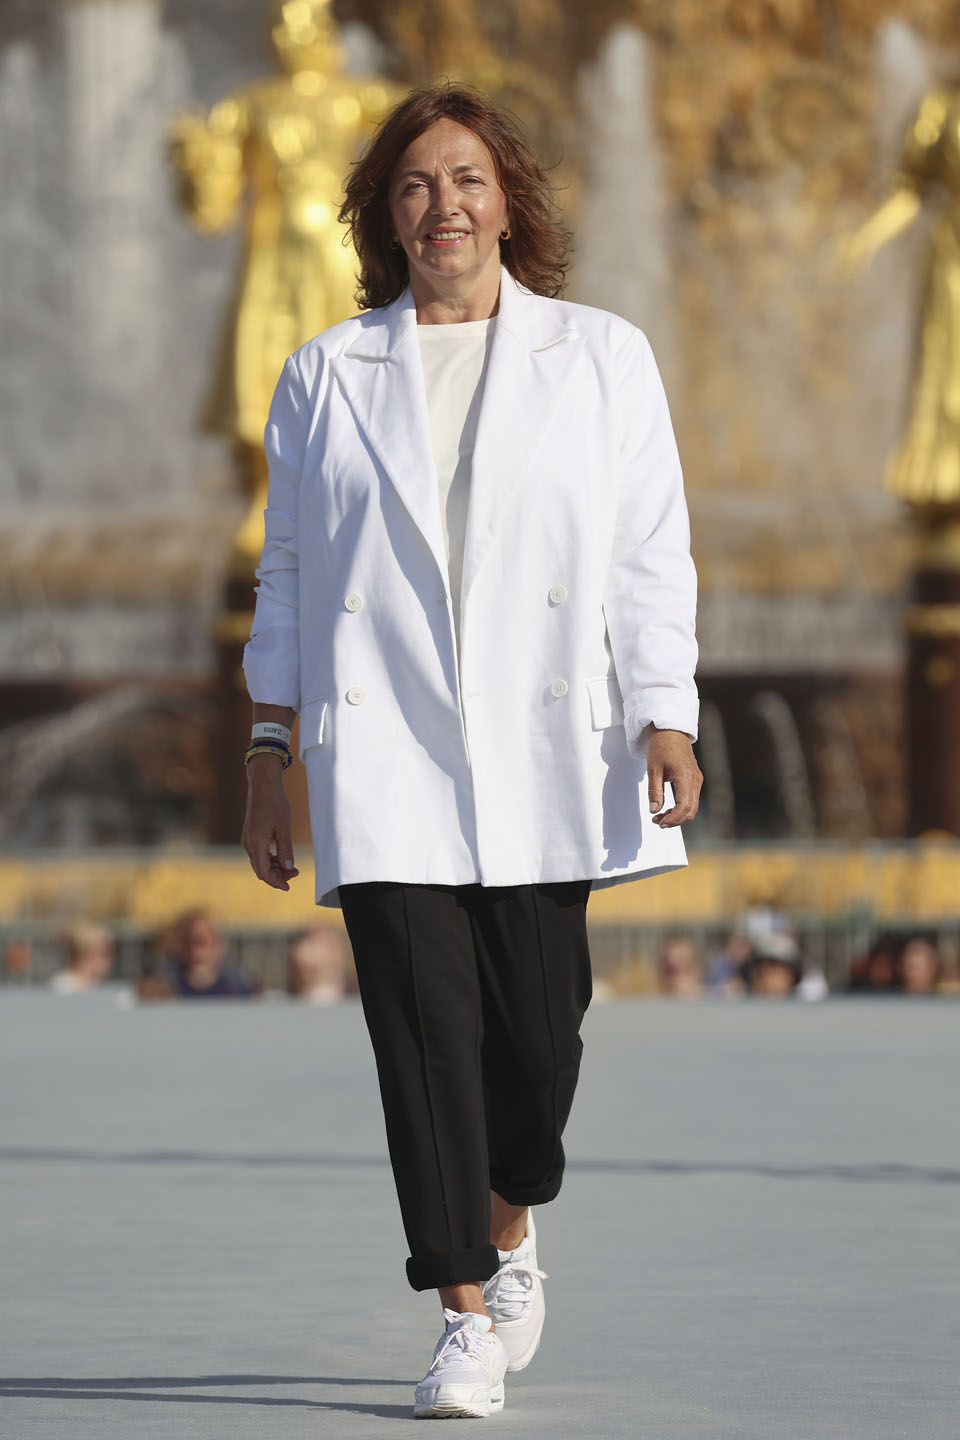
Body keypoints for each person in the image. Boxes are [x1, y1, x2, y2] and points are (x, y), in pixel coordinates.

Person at [241, 83, 701, 1419]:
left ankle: (509, 1225)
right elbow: (287, 571)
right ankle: (459, 1314)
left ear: (509, 204)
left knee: (537, 1052)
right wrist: (269, 748)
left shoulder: (601, 355)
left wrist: (666, 709)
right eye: (414, 185)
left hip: (547, 747)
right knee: (422, 1043)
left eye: (466, 180)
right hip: (386, 750)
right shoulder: (327, 373)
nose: (442, 204)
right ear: (384, 218)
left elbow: (647, 548)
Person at [138, 909, 257, 1000]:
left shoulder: (237, 988)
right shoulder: (163, 985)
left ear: (220, 944)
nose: (195, 947)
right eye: (190, 938)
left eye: (203, 939)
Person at [49, 922, 115, 994]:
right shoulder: (62, 987)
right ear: (85, 953)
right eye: (104, 954)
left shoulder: (102, 987)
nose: (110, 959)